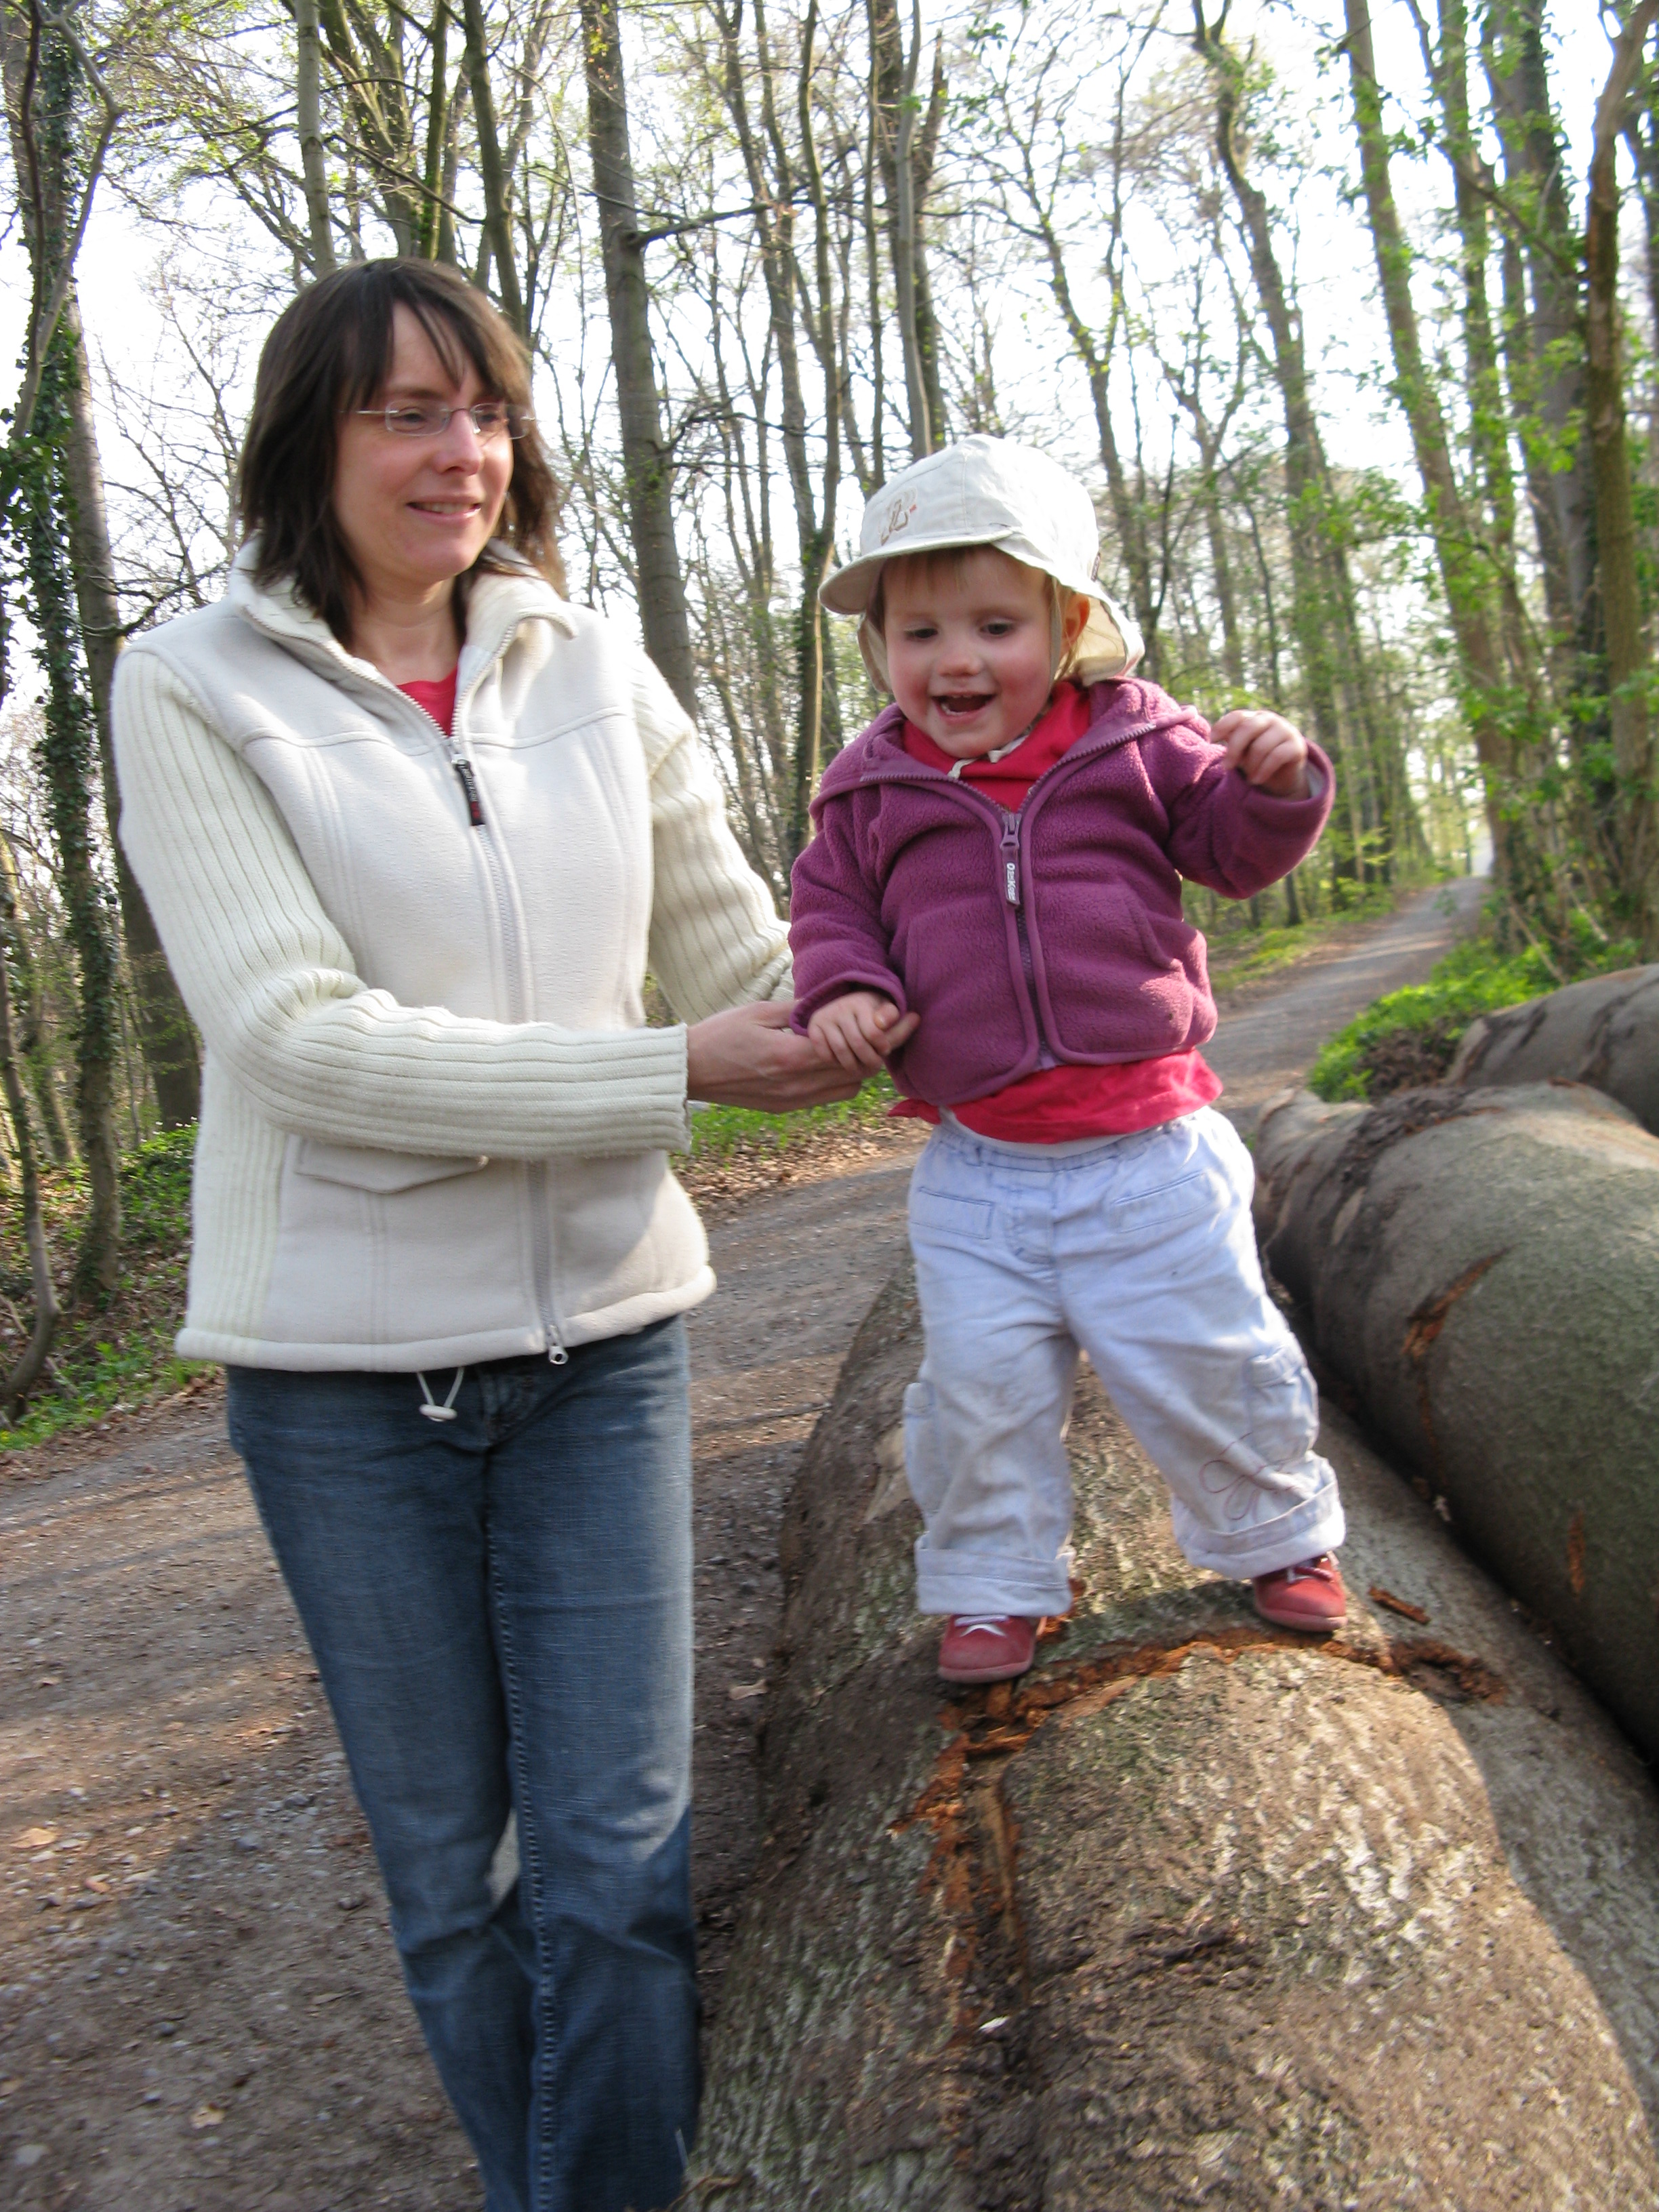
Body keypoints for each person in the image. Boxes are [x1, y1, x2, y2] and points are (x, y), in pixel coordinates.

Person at [111, 258, 885, 2212]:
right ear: (311, 442)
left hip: (606, 1350)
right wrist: (667, 1075)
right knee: (456, 1880)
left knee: (617, 1870)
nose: (459, 451)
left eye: (485, 410)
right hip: (343, 1388)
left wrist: (1030, 908)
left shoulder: (595, 668)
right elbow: (296, 1041)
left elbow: (751, 965)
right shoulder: (192, 684)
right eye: (405, 412)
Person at [788, 434, 1348, 1687]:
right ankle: (992, 1584)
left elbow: (1233, 851)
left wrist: (1276, 783)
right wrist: (849, 990)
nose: (957, 660)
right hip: (979, 1167)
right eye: (920, 633)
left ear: (1069, 626)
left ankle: (1276, 1535)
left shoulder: (1139, 743)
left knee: (1215, 1361)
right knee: (978, 1394)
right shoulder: (867, 792)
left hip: (1152, 1156)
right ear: (878, 648)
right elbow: (832, 914)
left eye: (996, 626)